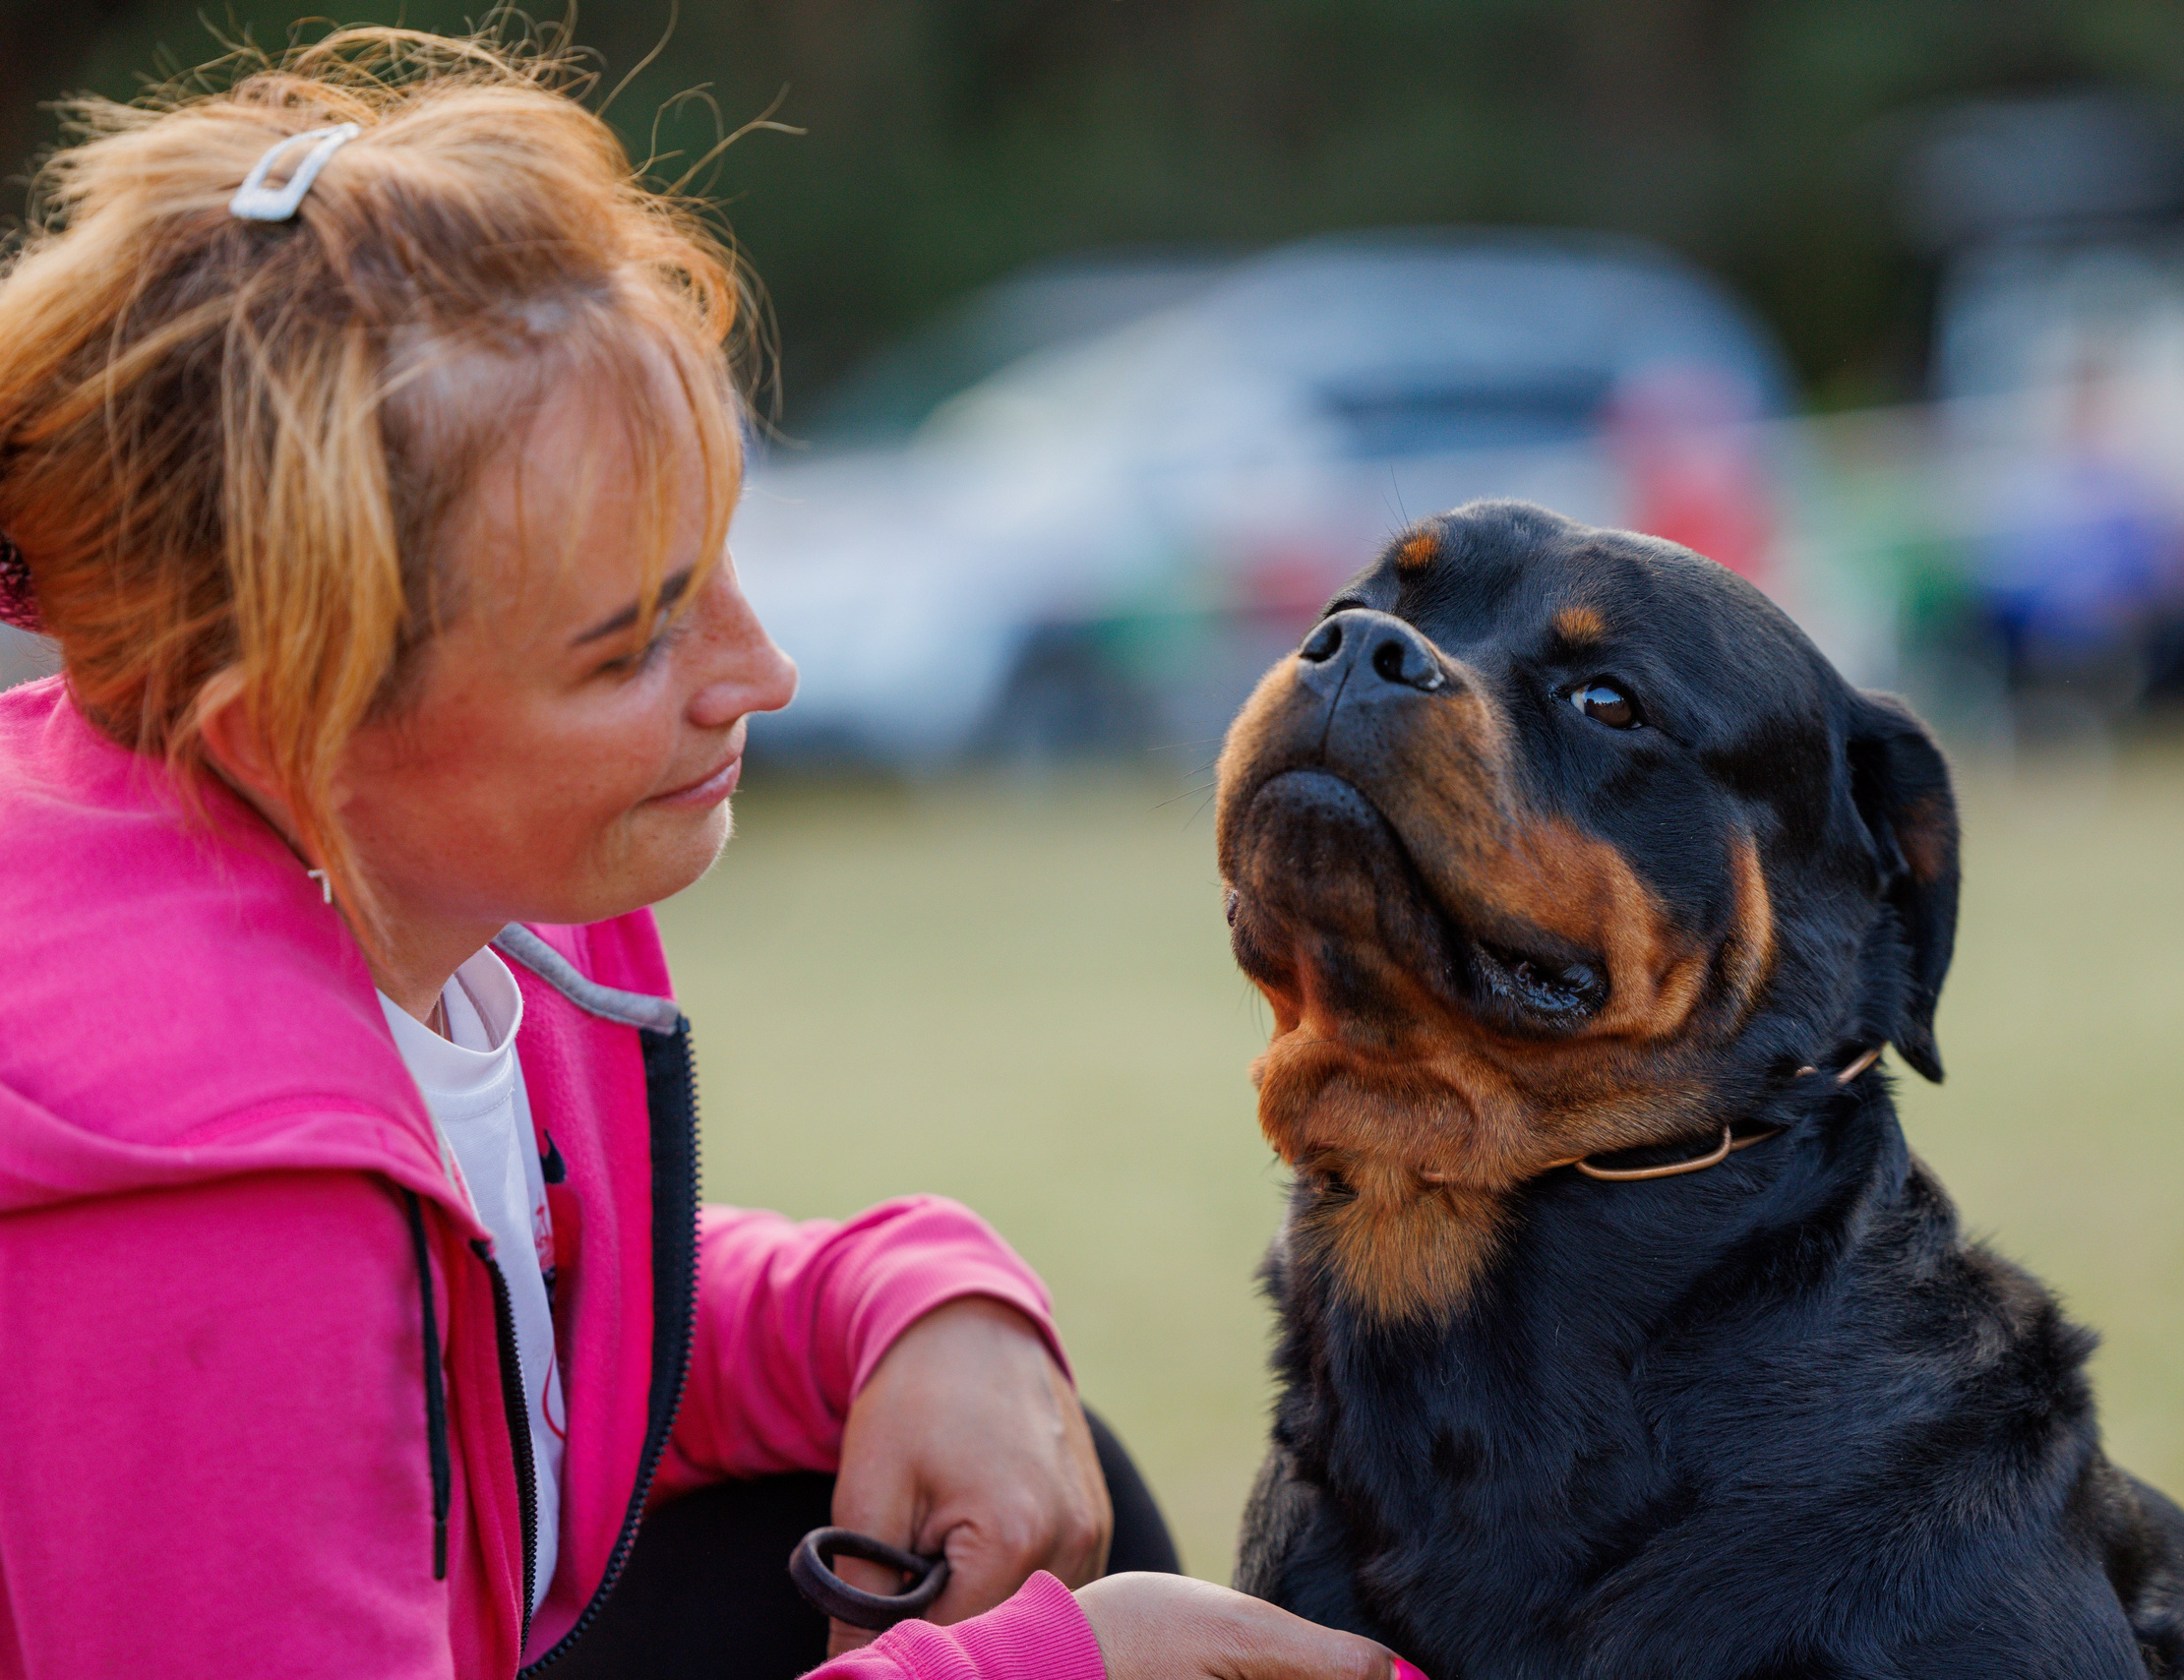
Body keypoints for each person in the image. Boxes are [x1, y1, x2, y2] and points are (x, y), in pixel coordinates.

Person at [0, 29, 1397, 1680]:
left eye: (716, 565)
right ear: (288, 708)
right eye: (629, 648)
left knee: (1011, 1461)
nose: (762, 677)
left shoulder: (443, 894)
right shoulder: (208, 1199)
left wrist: (900, 1298)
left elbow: (510, 1331)